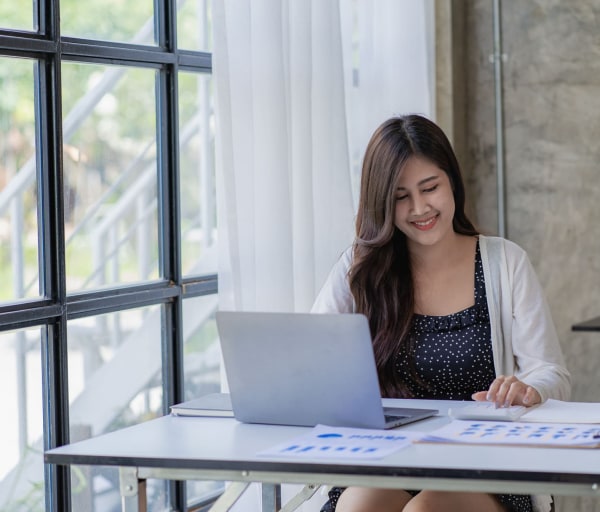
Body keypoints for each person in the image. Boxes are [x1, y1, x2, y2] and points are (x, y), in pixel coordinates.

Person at [311, 114, 571, 512]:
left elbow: (552, 372)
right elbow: (311, 359)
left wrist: (528, 389)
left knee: (425, 510)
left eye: (430, 187)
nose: (419, 208)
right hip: (389, 459)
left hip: (487, 465)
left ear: (452, 181)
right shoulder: (361, 268)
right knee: (357, 506)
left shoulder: (505, 262)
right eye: (400, 196)